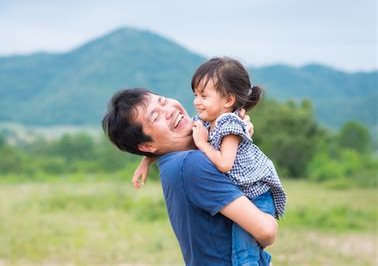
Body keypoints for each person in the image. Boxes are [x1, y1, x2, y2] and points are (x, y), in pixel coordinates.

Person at [132, 57, 286, 266]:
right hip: (248, 191)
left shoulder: (229, 124)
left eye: (204, 96)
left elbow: (224, 164)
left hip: (257, 191)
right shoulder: (201, 129)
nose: (196, 102)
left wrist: (204, 143)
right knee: (245, 253)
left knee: (245, 253)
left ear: (228, 100)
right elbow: (266, 232)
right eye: (196, 95)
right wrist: (146, 160)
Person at [102, 88, 278, 265]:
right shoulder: (191, 163)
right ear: (147, 146)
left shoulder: (174, 162)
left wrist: (233, 132)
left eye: (163, 101)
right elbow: (266, 232)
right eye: (155, 117)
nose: (169, 111)